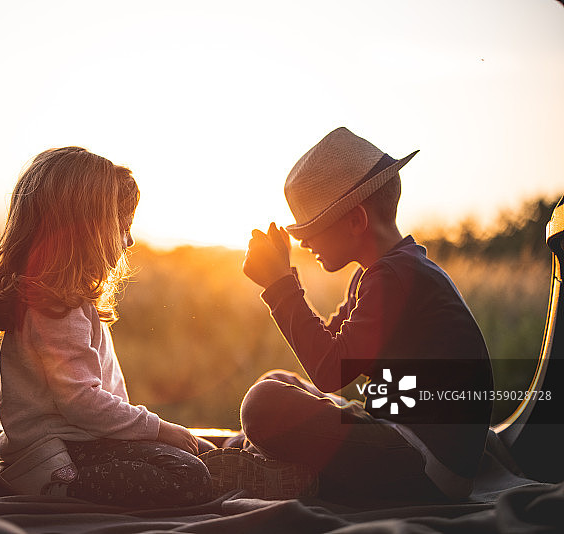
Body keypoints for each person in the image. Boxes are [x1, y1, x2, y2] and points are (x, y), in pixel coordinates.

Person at [203, 127, 493, 502]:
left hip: (426, 465)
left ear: (356, 221)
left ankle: (278, 470)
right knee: (277, 380)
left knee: (263, 403)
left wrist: (279, 287)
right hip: (398, 432)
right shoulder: (382, 272)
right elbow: (329, 346)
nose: (303, 241)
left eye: (311, 228)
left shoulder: (394, 277)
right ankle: (257, 458)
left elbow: (330, 371)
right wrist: (285, 277)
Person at [0, 146, 213, 506]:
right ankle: (58, 487)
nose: (129, 241)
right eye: (123, 228)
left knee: (196, 459)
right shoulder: (55, 310)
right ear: (87, 231)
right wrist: (159, 429)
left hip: (83, 443)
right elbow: (81, 403)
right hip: (62, 454)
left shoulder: (61, 302)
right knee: (190, 476)